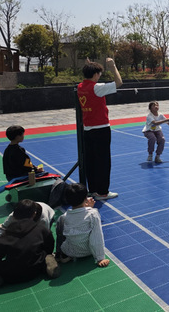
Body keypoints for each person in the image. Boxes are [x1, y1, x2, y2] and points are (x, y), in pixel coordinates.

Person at [77, 58, 122, 201]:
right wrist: (113, 66)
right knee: (103, 161)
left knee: (91, 161)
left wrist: (90, 65)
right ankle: (102, 192)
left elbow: (88, 79)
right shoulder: (97, 88)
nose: (100, 76)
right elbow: (119, 82)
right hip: (101, 129)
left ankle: (93, 190)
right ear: (95, 74)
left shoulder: (80, 87)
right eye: (99, 73)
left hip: (87, 129)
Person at [0, 199, 60, 287]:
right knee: (46, 255)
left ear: (14, 215)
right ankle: (49, 265)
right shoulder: (41, 229)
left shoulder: (7, 233)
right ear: (34, 214)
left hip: (11, 275)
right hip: (36, 269)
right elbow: (49, 246)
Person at [55, 183, 109, 267]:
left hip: (69, 251)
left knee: (61, 227)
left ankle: (60, 255)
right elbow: (96, 236)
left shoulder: (63, 217)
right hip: (88, 252)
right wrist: (100, 258)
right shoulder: (93, 214)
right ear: (85, 199)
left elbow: (60, 235)